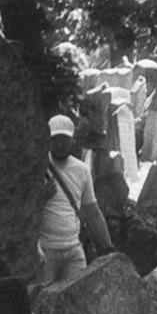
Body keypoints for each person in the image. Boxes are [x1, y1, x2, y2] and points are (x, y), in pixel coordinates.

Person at [39, 113, 112, 285]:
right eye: (56, 139)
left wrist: (109, 248)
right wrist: (41, 198)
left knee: (77, 301)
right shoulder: (39, 166)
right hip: (46, 250)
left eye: (65, 139)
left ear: (72, 140)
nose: (60, 144)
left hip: (73, 250)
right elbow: (24, 210)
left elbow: (93, 212)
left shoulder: (81, 170)